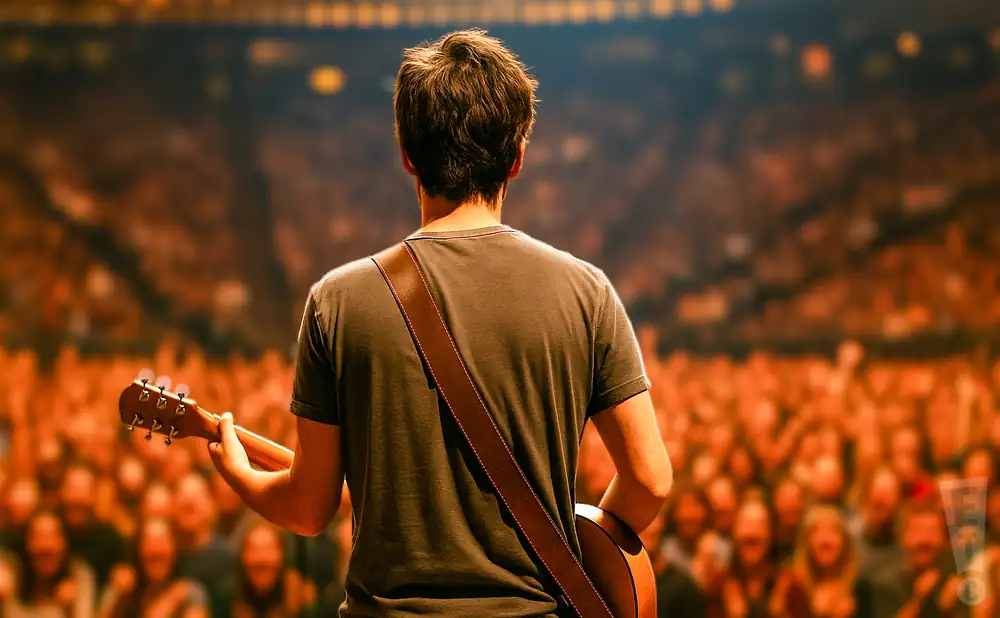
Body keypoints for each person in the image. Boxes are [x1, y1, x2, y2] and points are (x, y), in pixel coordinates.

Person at [207, 28, 672, 617]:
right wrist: (576, 545)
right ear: (518, 158)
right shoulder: (587, 292)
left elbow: (308, 508)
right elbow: (651, 481)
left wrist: (237, 471)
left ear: (407, 154)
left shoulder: (337, 300)